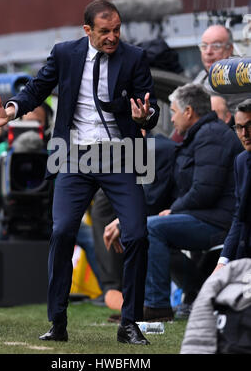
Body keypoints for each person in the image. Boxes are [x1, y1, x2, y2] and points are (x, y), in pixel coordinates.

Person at [0, 0, 159, 345]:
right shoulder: (65, 53)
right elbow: (37, 88)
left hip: (122, 156)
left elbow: (148, 108)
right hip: (73, 156)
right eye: (105, 31)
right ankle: (58, 320)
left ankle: (129, 322)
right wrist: (13, 110)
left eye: (117, 29)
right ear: (87, 30)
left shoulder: (135, 57)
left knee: (137, 234)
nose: (112, 37)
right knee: (62, 231)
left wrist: (144, 118)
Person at [104, 83, 242, 321]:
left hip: (220, 223)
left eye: (175, 112)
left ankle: (156, 305)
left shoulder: (211, 136)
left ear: (189, 111)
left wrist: (173, 210)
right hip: (208, 218)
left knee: (150, 229)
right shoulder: (201, 135)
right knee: (145, 227)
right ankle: (198, 289)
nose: (174, 118)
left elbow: (204, 191)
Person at [213, 99, 251, 272]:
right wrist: (223, 260)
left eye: (249, 125)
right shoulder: (241, 161)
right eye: (239, 127)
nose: (245, 134)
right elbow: (239, 216)